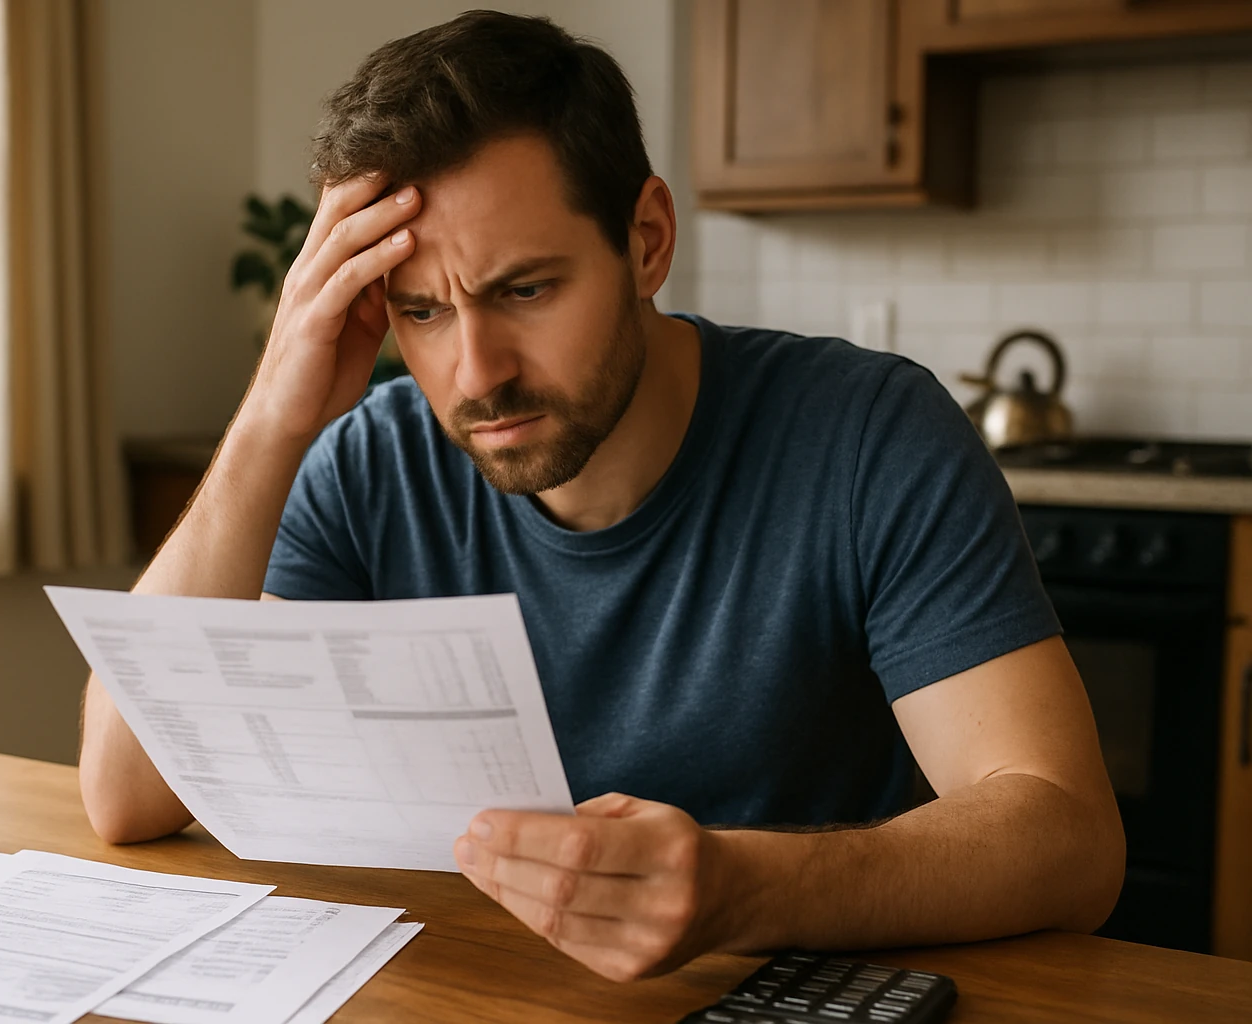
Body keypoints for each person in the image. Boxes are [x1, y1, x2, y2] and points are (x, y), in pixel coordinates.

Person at [79, 10, 1124, 982]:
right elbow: (127, 791)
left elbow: (1067, 837)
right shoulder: (368, 464)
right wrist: (273, 415)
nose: (476, 370)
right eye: (422, 311)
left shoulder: (870, 433)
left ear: (648, 241)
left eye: (525, 290)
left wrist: (743, 887)